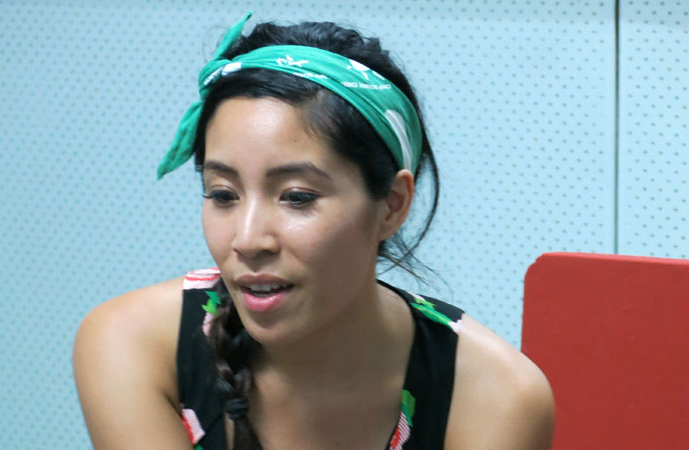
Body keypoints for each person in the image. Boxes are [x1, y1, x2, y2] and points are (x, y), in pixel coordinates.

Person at [73, 12, 555, 450]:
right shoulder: (131, 343)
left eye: (297, 197)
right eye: (222, 194)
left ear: (392, 204)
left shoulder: (496, 397)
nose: (247, 240)